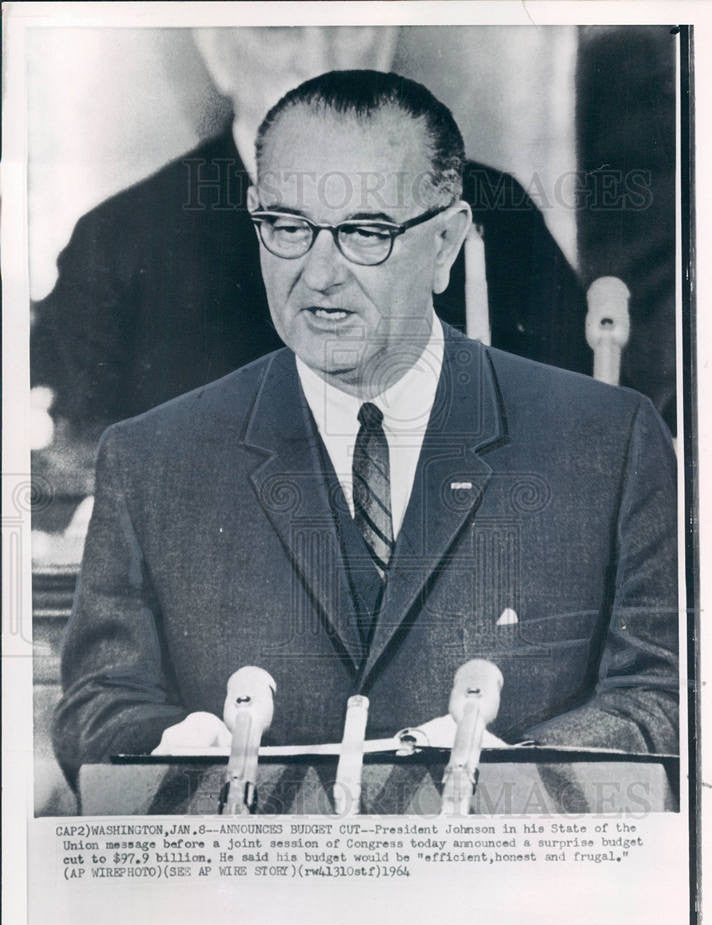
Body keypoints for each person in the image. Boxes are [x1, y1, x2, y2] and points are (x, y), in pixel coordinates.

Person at [52, 70, 678, 787]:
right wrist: (184, 748)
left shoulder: (611, 444)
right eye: (287, 227)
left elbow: (656, 698)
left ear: (446, 244)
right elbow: (98, 709)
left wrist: (509, 775)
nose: (318, 274)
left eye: (365, 233)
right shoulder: (150, 461)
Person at [30, 26, 588, 443]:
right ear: (214, 48)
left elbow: (579, 432)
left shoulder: (495, 214)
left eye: (351, 23)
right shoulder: (118, 241)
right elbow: (71, 466)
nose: (323, 58)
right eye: (280, 29)